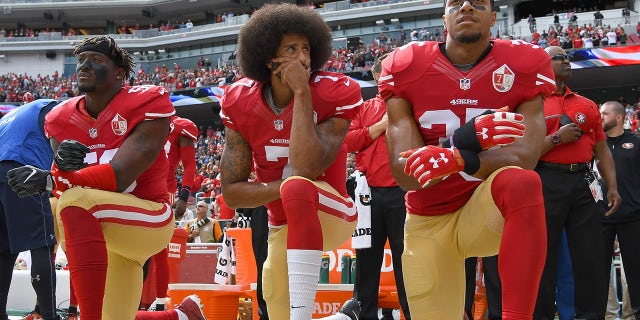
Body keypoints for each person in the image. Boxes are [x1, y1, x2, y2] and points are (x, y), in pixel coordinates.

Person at [379, 0, 557, 318]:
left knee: (522, 182)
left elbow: (526, 157)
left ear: (493, 16)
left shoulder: (524, 63)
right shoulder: (407, 64)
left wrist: (460, 158)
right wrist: (464, 142)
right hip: (429, 217)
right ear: (444, 18)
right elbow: (407, 173)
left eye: (478, 2)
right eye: (455, 2)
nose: (466, 6)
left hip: (486, 211)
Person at [5, 36, 205, 320]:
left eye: (96, 60)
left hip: (149, 217)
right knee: (115, 316)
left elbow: (119, 176)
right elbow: (65, 180)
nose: (84, 65)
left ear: (119, 73)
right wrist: (58, 171)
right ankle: (182, 315)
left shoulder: (146, 103)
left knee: (75, 201)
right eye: (81, 60)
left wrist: (53, 180)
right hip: (108, 232)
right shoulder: (61, 118)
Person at [218, 3, 363, 319]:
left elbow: (307, 168)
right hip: (281, 222)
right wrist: (282, 190)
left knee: (298, 186)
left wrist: (301, 93)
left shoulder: (332, 92)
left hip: (332, 211)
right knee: (275, 302)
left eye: (307, 49)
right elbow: (233, 192)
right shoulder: (240, 100)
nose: (302, 57)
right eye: (292, 48)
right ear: (269, 57)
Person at [532, 46, 621, 320]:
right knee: (543, 258)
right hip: (546, 180)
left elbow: (602, 150)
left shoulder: (587, 104)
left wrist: (613, 186)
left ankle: (590, 315)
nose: (566, 61)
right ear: (545, 64)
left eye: (567, 57)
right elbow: (523, 151)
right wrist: (556, 138)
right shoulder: (530, 103)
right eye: (559, 57)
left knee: (590, 255)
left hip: (584, 181)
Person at [341, 52, 410, 320]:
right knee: (367, 258)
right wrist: (379, 126)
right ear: (379, 76)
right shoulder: (365, 108)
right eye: (391, 72)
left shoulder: (410, 103)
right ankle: (364, 313)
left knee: (407, 258)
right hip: (368, 194)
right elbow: (347, 142)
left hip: (403, 192)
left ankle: (412, 312)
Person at [0, 99, 60, 320]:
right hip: (23, 169)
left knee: (4, 252)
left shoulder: (16, 113)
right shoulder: (57, 108)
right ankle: (50, 316)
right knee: (42, 244)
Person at [144, 115, 199, 311]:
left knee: (159, 250)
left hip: (163, 191)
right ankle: (134, 301)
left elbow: (190, 165)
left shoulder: (179, 127)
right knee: (133, 248)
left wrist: (183, 196)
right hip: (138, 187)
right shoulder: (140, 121)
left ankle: (159, 304)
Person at [600, 100, 640, 320]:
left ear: (619, 117)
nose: (600, 117)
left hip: (633, 218)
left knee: (635, 272)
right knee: (599, 273)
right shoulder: (595, 144)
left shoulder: (636, 143)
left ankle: (632, 314)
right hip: (600, 218)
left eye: (604, 113)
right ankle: (605, 315)